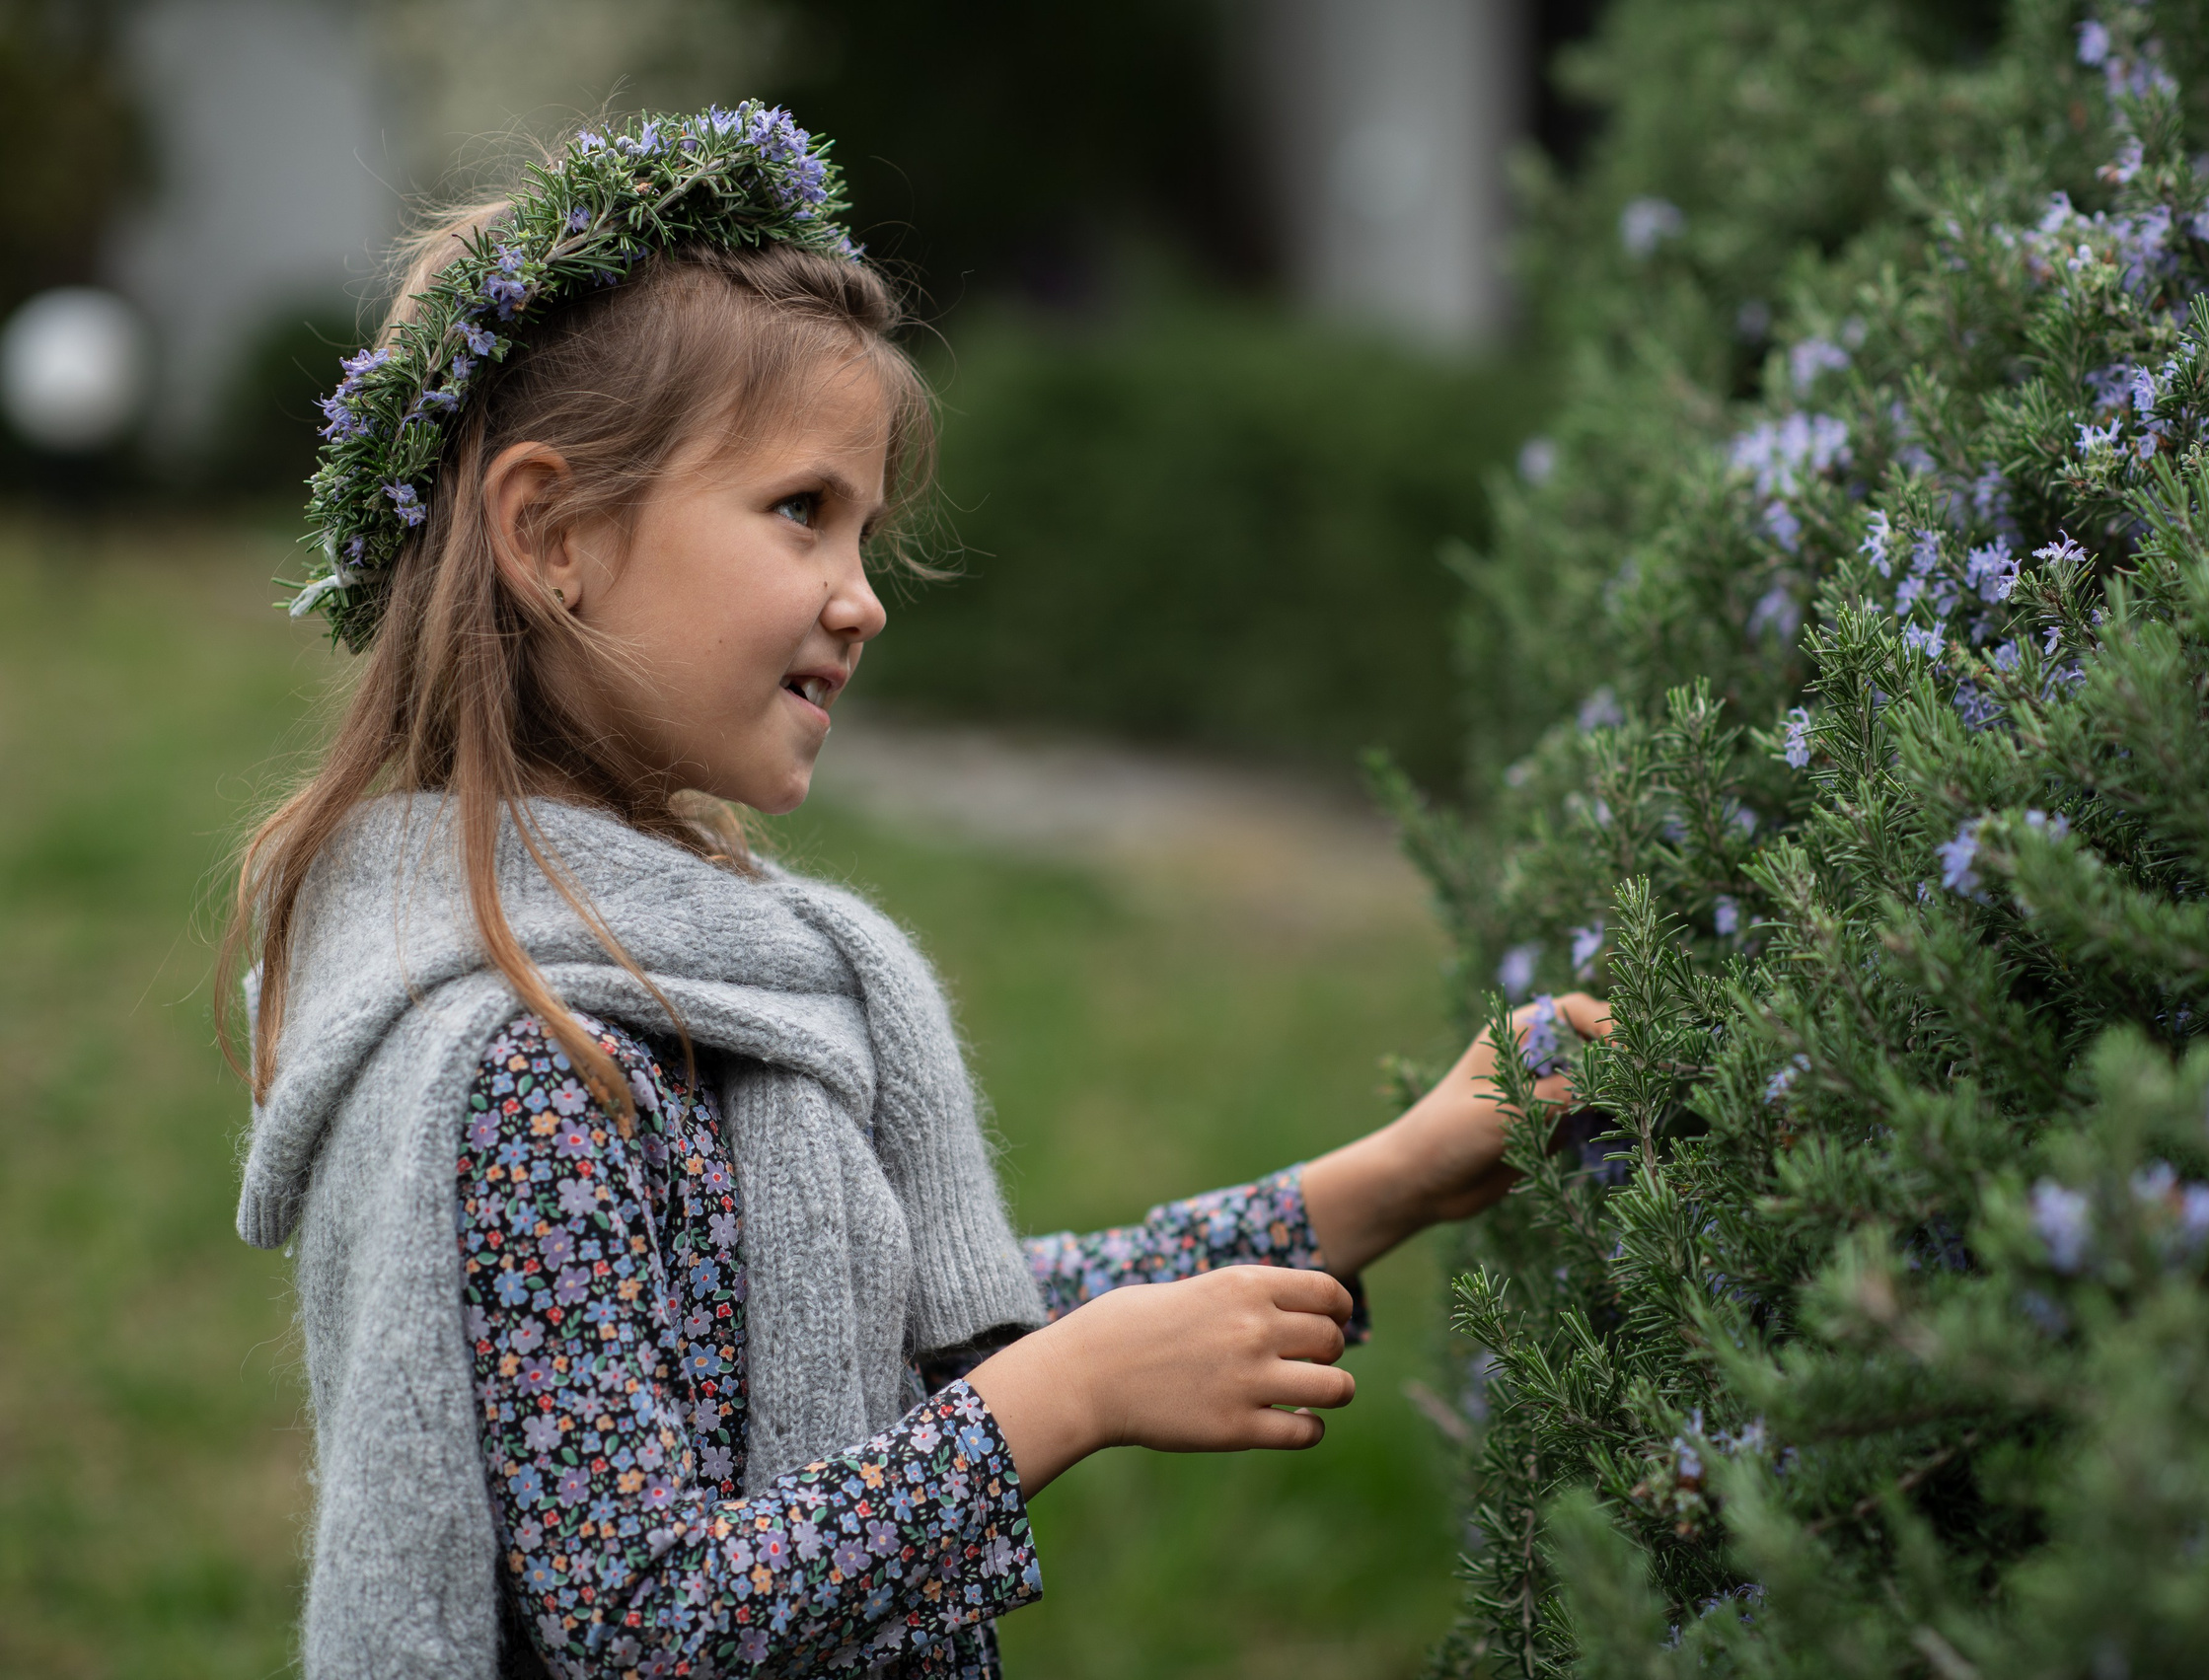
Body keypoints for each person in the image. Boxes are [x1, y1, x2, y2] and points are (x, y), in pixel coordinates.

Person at [222, 107, 1608, 1680]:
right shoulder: (528, 1064)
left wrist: (1383, 1182)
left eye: (866, 528)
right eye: (800, 509)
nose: (863, 595)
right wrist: (1060, 1396)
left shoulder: (706, 966)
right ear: (550, 535)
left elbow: (929, 1310)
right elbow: (646, 1623)